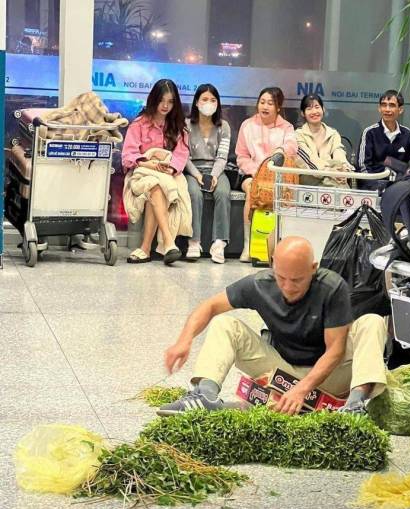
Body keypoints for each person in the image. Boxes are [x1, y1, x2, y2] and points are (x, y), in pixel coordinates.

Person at [157, 236, 387, 417]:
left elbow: (335, 350)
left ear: (313, 268)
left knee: (372, 321)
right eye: (281, 277)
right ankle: (205, 395)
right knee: (225, 324)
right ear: (272, 266)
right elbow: (209, 306)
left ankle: (354, 406)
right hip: (282, 370)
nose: (288, 286)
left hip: (329, 375)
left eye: (297, 280)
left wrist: (302, 390)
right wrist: (184, 340)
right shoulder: (260, 284)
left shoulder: (331, 287)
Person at [122, 79, 190, 265]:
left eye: (170, 101)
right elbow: (128, 156)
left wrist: (169, 166)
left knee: (157, 186)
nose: (165, 106)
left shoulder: (178, 126)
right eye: (162, 101)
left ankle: (145, 248)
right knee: (154, 184)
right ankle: (169, 242)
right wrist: (149, 163)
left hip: (168, 175)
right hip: (141, 173)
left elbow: (181, 155)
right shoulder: (139, 124)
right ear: (154, 100)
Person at [235, 87, 298, 262]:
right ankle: (248, 245)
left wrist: (280, 151)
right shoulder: (247, 125)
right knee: (251, 191)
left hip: (278, 177)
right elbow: (241, 156)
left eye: (270, 103)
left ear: (278, 107)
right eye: (262, 102)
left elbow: (292, 148)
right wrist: (257, 172)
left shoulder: (286, 127)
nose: (265, 106)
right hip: (252, 175)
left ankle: (277, 246)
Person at [184, 84, 231, 264]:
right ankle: (194, 242)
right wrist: (198, 176)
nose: (209, 103)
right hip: (192, 170)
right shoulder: (186, 125)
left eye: (213, 100)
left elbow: (222, 156)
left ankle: (219, 243)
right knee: (194, 193)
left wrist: (213, 176)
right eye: (204, 99)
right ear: (196, 102)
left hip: (216, 170)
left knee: (223, 193)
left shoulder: (223, 126)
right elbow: (184, 156)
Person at [356, 89, 410, 190]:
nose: (387, 109)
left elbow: (409, 165)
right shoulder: (369, 133)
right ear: (379, 108)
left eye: (391, 105)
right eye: (383, 105)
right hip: (372, 187)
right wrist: (376, 186)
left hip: (398, 188)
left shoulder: (407, 135)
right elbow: (363, 166)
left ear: (400, 110)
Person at [295, 94, 353, 187]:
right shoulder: (298, 135)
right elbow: (308, 160)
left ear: (323, 109)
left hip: (333, 176)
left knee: (339, 174)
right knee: (337, 185)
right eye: (309, 109)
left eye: (317, 107)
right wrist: (330, 172)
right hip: (309, 178)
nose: (314, 112)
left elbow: (339, 151)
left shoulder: (333, 133)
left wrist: (343, 169)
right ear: (303, 113)